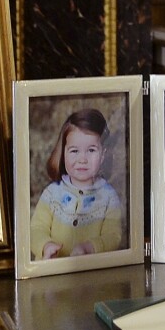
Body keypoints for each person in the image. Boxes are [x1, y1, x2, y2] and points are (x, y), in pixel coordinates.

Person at [30, 108, 123, 260]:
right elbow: (36, 228)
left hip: (91, 277)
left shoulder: (108, 197)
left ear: (103, 155)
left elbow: (113, 236)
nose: (82, 159)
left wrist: (90, 247)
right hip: (53, 275)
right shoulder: (52, 193)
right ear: (63, 152)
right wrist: (45, 245)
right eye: (74, 151)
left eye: (91, 150)